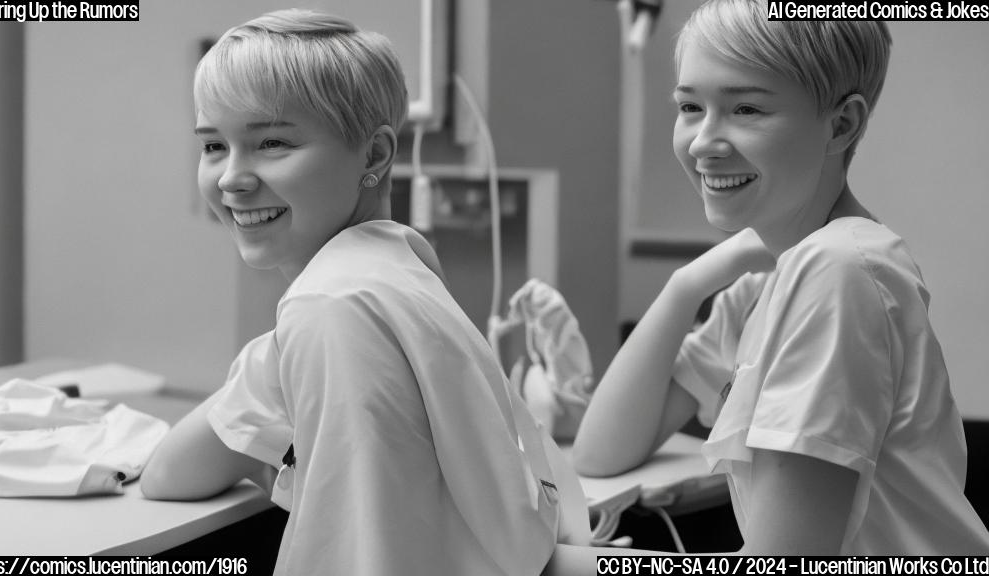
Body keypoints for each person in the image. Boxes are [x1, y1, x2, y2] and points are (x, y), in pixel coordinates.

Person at [140, 9, 571, 575]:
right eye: (214, 146)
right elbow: (172, 473)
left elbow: (362, 556)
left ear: (374, 155)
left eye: (271, 143)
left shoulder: (329, 305)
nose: (230, 178)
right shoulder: (398, 262)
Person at [574, 0, 989, 555]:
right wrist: (687, 285)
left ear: (842, 124)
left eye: (746, 109)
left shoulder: (838, 273)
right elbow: (601, 453)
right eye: (690, 106)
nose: (702, 142)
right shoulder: (766, 280)